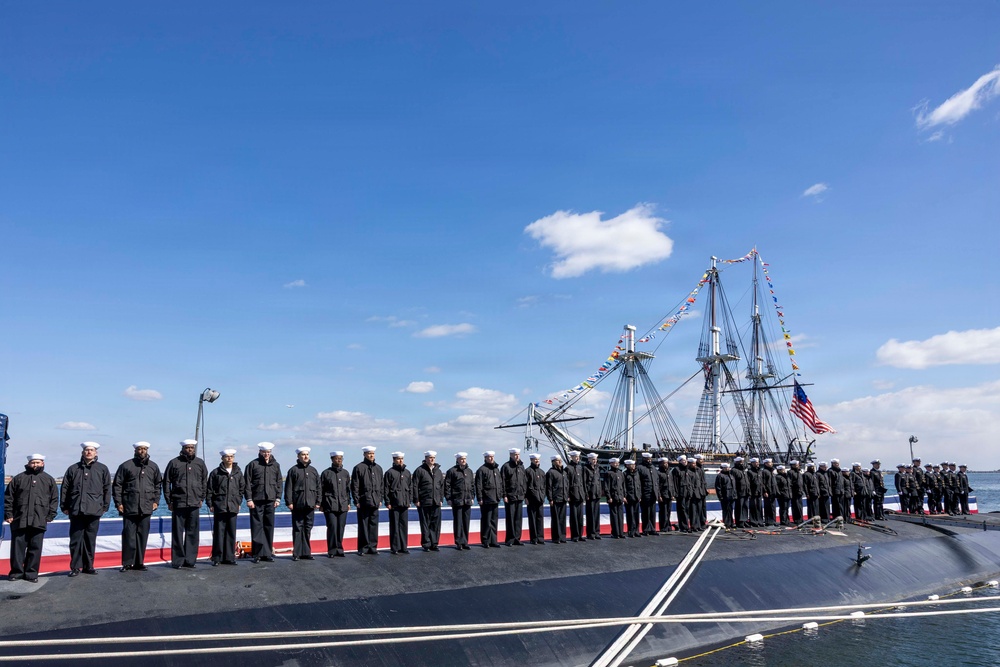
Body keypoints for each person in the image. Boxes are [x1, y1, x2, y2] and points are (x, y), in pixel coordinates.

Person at [5, 454, 58, 582]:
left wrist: (50, 515)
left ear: (43, 463)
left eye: (38, 462)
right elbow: (8, 498)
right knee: (18, 548)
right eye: (33, 463)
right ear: (29, 464)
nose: (35, 465)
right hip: (19, 519)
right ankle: (16, 573)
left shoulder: (49, 480)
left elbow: (54, 499)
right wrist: (9, 514)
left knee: (35, 548)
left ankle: (31, 573)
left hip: (39, 519)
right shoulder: (18, 479)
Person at [61, 441, 112, 576]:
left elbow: (107, 489)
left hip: (94, 509)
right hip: (76, 509)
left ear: (96, 453)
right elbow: (65, 488)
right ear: (82, 452)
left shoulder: (102, 469)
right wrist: (64, 506)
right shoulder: (73, 469)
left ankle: (89, 566)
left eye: (92, 450)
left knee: (90, 539)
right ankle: (75, 567)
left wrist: (105, 506)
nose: (89, 452)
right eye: (87, 450)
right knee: (76, 540)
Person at [112, 441, 162, 572]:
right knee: (129, 536)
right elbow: (117, 485)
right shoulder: (126, 466)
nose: (142, 451)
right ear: (135, 451)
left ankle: (139, 562)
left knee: (143, 536)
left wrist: (156, 501)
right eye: (140, 449)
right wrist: (119, 503)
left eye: (144, 449)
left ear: (147, 450)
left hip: (146, 507)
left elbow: (158, 485)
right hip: (129, 506)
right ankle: (127, 563)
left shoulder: (153, 467)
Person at [163, 439, 208, 569]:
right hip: (179, 502)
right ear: (183, 449)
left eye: (192, 448)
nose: (189, 450)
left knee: (192, 533)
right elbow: (166, 482)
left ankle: (190, 560)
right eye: (187, 448)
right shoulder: (174, 463)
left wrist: (202, 498)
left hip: (194, 503)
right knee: (177, 533)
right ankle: (177, 561)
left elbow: (204, 481)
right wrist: (168, 500)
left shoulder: (200, 463)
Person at [244, 442, 282, 562]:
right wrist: (249, 499)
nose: (266, 454)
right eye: (264, 452)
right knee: (257, 527)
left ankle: (267, 553)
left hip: (270, 500)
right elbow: (247, 483)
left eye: (268, 452)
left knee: (268, 526)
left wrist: (278, 498)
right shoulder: (253, 464)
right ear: (260, 452)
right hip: (257, 500)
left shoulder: (275, 465)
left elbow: (279, 483)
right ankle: (257, 554)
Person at [207, 448, 244, 566]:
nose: (229, 458)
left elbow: (241, 489)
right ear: (222, 458)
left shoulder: (238, 472)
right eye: (227, 456)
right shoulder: (215, 473)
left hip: (233, 506)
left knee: (231, 532)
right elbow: (210, 490)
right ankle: (217, 557)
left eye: (231, 456)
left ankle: (229, 557)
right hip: (220, 506)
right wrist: (210, 504)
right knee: (219, 532)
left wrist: (238, 502)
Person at [285, 446, 321, 560]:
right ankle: (297, 553)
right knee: (297, 528)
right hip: (297, 504)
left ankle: (306, 552)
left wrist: (318, 502)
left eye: (307, 455)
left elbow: (319, 487)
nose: (305, 456)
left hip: (310, 504)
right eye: (303, 455)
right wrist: (289, 502)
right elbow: (288, 488)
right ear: (298, 456)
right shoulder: (293, 470)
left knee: (307, 528)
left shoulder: (313, 471)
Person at [351, 446, 384, 555]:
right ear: (364, 454)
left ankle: (373, 547)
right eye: (369, 453)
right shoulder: (359, 468)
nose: (371, 455)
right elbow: (355, 485)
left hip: (375, 501)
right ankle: (363, 548)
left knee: (374, 525)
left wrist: (380, 498)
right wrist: (356, 500)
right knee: (363, 525)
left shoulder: (378, 468)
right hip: (364, 501)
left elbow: (381, 485)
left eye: (372, 453)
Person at [411, 450, 444, 551]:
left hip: (436, 501)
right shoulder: (420, 470)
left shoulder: (438, 471)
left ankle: (434, 543)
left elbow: (441, 486)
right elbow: (415, 486)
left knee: (435, 524)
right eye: (430, 457)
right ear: (425, 459)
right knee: (425, 524)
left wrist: (441, 499)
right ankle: (426, 544)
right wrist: (416, 499)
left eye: (433, 457)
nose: (432, 459)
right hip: (424, 501)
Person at [320, 451, 351, 557]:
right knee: (332, 527)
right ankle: (332, 550)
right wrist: (321, 504)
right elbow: (321, 490)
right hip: (330, 504)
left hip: (342, 504)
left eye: (341, 458)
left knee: (341, 527)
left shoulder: (345, 473)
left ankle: (339, 549)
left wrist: (348, 502)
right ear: (332, 459)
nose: (339, 460)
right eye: (337, 458)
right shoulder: (326, 473)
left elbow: (348, 490)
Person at [381, 451, 411, 555]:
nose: (400, 460)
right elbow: (386, 489)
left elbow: (410, 488)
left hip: (404, 503)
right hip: (394, 503)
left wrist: (409, 500)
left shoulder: (407, 473)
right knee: (394, 526)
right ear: (394, 460)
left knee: (404, 526)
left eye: (402, 458)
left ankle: (404, 547)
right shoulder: (389, 472)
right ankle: (395, 547)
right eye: (398, 459)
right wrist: (387, 502)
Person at [445, 452, 474, 550]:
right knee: (458, 522)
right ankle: (458, 542)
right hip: (457, 500)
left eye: (464, 459)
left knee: (466, 522)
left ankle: (465, 542)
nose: (463, 460)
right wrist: (448, 498)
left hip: (467, 500)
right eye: (461, 459)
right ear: (457, 460)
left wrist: (472, 497)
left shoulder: (469, 471)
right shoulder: (452, 471)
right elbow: (447, 486)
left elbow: (472, 485)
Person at [475, 451, 502, 548]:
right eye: (489, 457)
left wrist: (500, 495)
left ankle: (493, 540)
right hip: (486, 499)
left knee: (494, 521)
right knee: (486, 521)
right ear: (485, 458)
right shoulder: (481, 470)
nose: (491, 458)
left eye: (492, 457)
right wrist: (480, 498)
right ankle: (485, 540)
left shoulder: (496, 469)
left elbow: (500, 483)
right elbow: (478, 485)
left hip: (495, 498)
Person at [500, 448, 527, 546]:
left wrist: (524, 493)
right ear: (511, 455)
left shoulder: (521, 467)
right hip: (510, 496)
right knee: (510, 519)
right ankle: (510, 539)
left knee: (518, 519)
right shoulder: (506, 467)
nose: (517, 456)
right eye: (515, 454)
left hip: (519, 496)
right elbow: (502, 482)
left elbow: (524, 481)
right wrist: (504, 495)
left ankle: (517, 538)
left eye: (518, 454)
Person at [524, 453, 547, 545]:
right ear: (531, 460)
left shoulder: (542, 472)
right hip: (531, 498)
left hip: (540, 498)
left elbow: (544, 485)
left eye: (538, 459)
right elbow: (525, 485)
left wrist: (543, 495)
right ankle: (534, 538)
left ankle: (540, 538)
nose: (537, 461)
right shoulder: (528, 471)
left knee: (540, 518)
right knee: (532, 519)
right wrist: (526, 497)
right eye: (535, 459)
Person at [545, 455, 568, 543]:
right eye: (558, 461)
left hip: (563, 498)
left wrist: (567, 495)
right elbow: (549, 487)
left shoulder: (564, 473)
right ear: (553, 462)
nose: (560, 462)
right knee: (556, 519)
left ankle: (562, 536)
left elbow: (566, 485)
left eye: (560, 460)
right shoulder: (551, 472)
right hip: (555, 498)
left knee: (562, 519)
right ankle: (556, 537)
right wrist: (550, 499)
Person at [564, 451, 586, 541]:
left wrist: (584, 494)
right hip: (573, 495)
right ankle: (574, 535)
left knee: (580, 517)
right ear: (571, 457)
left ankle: (580, 535)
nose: (577, 458)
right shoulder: (568, 469)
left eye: (578, 457)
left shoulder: (580, 468)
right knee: (574, 517)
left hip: (580, 495)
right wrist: (568, 495)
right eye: (576, 457)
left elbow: (583, 482)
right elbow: (567, 483)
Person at [603, 457, 626, 539]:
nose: (617, 464)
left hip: (620, 497)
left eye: (618, 463)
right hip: (613, 497)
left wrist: (624, 496)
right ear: (611, 463)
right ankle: (615, 533)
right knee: (614, 516)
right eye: (615, 463)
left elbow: (623, 486)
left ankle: (621, 532)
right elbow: (606, 486)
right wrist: (609, 497)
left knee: (620, 516)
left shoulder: (620, 473)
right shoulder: (608, 473)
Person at [584, 453, 604, 540]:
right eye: (593, 459)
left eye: (595, 459)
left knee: (596, 515)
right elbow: (585, 483)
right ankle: (591, 533)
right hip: (590, 494)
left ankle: (597, 532)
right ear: (589, 460)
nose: (594, 461)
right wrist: (586, 494)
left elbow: (599, 481)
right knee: (591, 515)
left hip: (597, 494)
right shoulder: (586, 469)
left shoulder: (597, 468)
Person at [622, 459, 641, 537]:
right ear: (627, 466)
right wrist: (624, 496)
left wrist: (640, 495)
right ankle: (631, 530)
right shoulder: (625, 474)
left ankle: (636, 530)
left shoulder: (637, 474)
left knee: (636, 515)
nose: (633, 466)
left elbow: (639, 485)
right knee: (630, 515)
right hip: (629, 497)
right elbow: (623, 486)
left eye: (634, 465)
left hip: (636, 496)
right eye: (631, 465)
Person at [714, 463, 736, 528]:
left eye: (728, 467)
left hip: (731, 495)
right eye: (726, 467)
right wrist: (720, 496)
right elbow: (718, 487)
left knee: (730, 510)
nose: (728, 469)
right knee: (725, 510)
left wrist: (734, 495)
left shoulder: (731, 476)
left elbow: (734, 486)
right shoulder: (720, 476)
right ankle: (726, 523)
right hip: (725, 496)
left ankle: (731, 522)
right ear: (723, 468)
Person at [656, 458, 674, 533]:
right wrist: (659, 495)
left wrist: (672, 494)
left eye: (667, 463)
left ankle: (668, 525)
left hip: (669, 494)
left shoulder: (669, 472)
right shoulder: (659, 473)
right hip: (663, 494)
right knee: (663, 511)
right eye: (664, 463)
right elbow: (657, 485)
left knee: (668, 511)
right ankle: (663, 526)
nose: (666, 464)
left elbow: (672, 484)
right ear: (660, 464)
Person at [731, 457, 748, 528]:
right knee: (739, 507)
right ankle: (739, 521)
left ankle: (744, 520)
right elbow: (733, 483)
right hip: (739, 492)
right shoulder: (734, 471)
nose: (742, 463)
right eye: (741, 462)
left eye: (743, 462)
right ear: (737, 463)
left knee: (745, 506)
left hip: (745, 491)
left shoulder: (743, 471)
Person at [747, 458, 764, 527]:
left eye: (758, 462)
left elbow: (762, 482)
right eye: (756, 462)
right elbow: (748, 483)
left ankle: (760, 521)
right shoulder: (750, 472)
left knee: (759, 507)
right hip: (753, 492)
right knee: (753, 507)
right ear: (752, 463)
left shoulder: (760, 471)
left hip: (759, 492)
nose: (757, 463)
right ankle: (753, 521)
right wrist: (749, 492)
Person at [787, 460, 804, 525]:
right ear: (793, 465)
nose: (798, 465)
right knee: (796, 506)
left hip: (799, 492)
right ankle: (797, 519)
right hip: (794, 492)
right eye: (796, 465)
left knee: (800, 506)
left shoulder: (799, 472)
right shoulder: (790, 472)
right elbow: (789, 483)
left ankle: (800, 519)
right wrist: (790, 493)